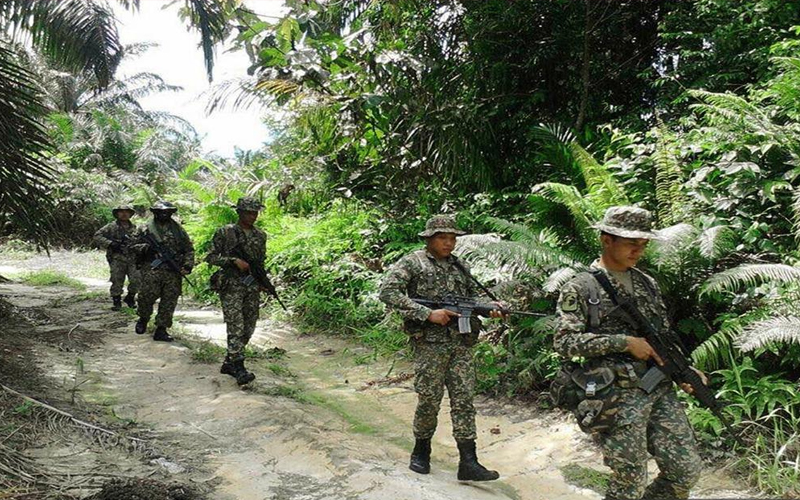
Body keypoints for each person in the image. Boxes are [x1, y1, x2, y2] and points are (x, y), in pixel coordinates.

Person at [554, 206, 703, 500]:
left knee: (686, 470)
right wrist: (622, 342)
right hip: (616, 395)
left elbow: (663, 336)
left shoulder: (647, 284)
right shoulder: (581, 287)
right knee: (629, 480)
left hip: (659, 387)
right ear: (606, 239)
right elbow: (564, 341)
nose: (638, 249)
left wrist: (684, 370)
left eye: (643, 243)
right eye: (631, 242)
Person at [379, 215, 503, 481]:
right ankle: (421, 451)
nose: (449, 243)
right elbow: (388, 292)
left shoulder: (460, 266)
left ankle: (468, 461)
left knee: (464, 401)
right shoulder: (413, 262)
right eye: (443, 238)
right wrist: (427, 313)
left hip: (461, 343)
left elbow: (471, 298)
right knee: (429, 399)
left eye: (452, 238)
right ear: (430, 238)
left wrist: (490, 308)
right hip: (430, 345)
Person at [205, 197, 268, 386]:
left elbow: (260, 262)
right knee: (235, 325)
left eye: (255, 212)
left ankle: (229, 361)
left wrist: (263, 281)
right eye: (248, 212)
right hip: (231, 284)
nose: (252, 216)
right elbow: (210, 257)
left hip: (251, 286)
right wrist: (232, 261)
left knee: (249, 325)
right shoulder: (225, 233)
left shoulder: (260, 235)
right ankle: (239, 367)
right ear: (239, 212)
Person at [131, 201, 194, 342]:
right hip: (152, 269)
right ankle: (143, 318)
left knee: (169, 300)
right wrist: (147, 248)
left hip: (173, 271)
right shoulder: (145, 228)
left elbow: (188, 249)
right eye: (161, 212)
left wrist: (188, 265)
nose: (164, 214)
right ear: (155, 212)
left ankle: (161, 329)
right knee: (146, 297)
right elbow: (132, 246)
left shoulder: (178, 230)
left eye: (167, 212)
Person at [93, 204, 139, 311]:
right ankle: (116, 301)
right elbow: (97, 236)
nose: (124, 214)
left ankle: (130, 298)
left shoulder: (135, 228)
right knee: (117, 280)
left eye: (126, 212)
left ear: (130, 214)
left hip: (132, 258)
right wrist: (111, 244)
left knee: (136, 279)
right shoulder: (111, 227)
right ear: (117, 214)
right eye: (121, 212)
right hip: (117, 258)